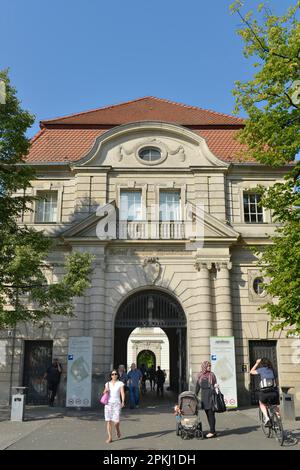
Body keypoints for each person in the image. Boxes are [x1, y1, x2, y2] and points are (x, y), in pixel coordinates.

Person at [250, 358, 280, 427]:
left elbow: (251, 372)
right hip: (274, 392)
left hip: (265, 392)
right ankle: (278, 418)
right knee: (275, 405)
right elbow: (275, 379)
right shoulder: (273, 370)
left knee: (262, 403)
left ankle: (267, 418)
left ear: (262, 364)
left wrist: (257, 363)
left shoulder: (261, 369)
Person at [195, 361, 218, 438]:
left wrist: (215, 387)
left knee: (211, 414)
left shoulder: (212, 375)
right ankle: (212, 430)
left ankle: (212, 431)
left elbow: (215, 384)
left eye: (210, 366)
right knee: (208, 413)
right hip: (204, 397)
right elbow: (197, 386)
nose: (209, 367)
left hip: (211, 396)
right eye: (208, 366)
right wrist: (195, 395)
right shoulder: (200, 375)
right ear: (204, 366)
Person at [103, 369, 125, 443]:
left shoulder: (120, 383)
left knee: (116, 421)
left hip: (117, 404)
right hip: (108, 404)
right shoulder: (107, 383)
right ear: (111, 376)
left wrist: (123, 401)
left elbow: (122, 393)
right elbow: (104, 392)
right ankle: (110, 437)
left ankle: (118, 430)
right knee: (108, 421)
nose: (114, 375)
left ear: (117, 375)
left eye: (115, 374)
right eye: (112, 374)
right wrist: (105, 391)